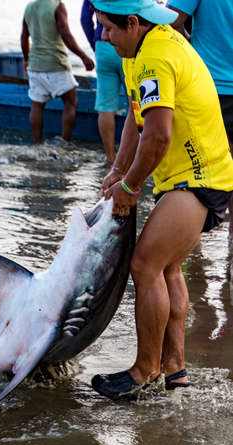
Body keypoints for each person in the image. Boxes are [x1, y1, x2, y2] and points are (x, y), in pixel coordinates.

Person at [86, 0, 233, 400]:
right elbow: (139, 122)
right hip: (184, 176)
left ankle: (145, 371)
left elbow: (159, 136)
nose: (103, 36)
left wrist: (131, 188)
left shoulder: (155, 55)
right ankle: (174, 369)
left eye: (109, 28)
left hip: (201, 178)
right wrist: (118, 171)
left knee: (145, 263)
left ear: (133, 22)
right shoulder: (137, 49)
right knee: (168, 267)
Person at [167, 0, 233, 241]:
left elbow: (170, 19)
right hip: (213, 84)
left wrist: (189, 49)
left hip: (209, 82)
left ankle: (190, 243)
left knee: (199, 169)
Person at [20, 0, 95, 144]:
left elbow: (24, 37)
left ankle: (37, 142)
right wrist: (83, 56)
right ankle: (65, 141)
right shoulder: (57, 5)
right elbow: (66, 35)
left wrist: (26, 60)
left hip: (35, 66)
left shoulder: (29, 7)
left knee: (37, 105)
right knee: (71, 101)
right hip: (56, 64)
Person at [81, 0, 127, 164]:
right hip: (127, 41)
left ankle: (110, 157)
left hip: (103, 43)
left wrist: (96, 44)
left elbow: (85, 18)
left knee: (106, 106)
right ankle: (131, 157)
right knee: (135, 102)